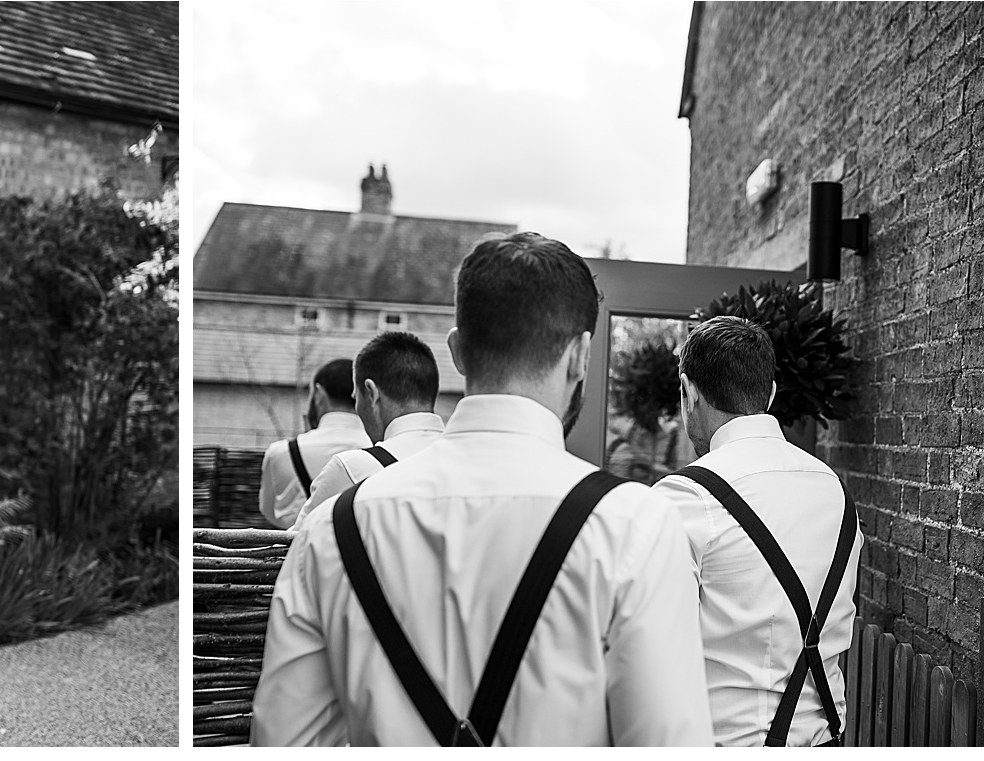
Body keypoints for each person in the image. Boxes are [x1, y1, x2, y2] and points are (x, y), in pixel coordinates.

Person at [252, 232, 709, 746]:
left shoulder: (329, 532)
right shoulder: (637, 528)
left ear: (456, 351)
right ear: (581, 356)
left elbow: (284, 743)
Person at [650, 316, 862, 747]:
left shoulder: (683, 498)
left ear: (689, 392)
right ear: (770, 394)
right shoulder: (837, 493)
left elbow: (649, 656)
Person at [298, 331, 445, 524]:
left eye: (355, 398)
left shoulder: (350, 469)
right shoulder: (476, 458)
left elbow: (294, 546)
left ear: (371, 393)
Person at [259, 358, 371, 529]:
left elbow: (268, 511)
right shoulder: (381, 448)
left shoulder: (281, 453)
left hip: (294, 551)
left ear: (319, 394)